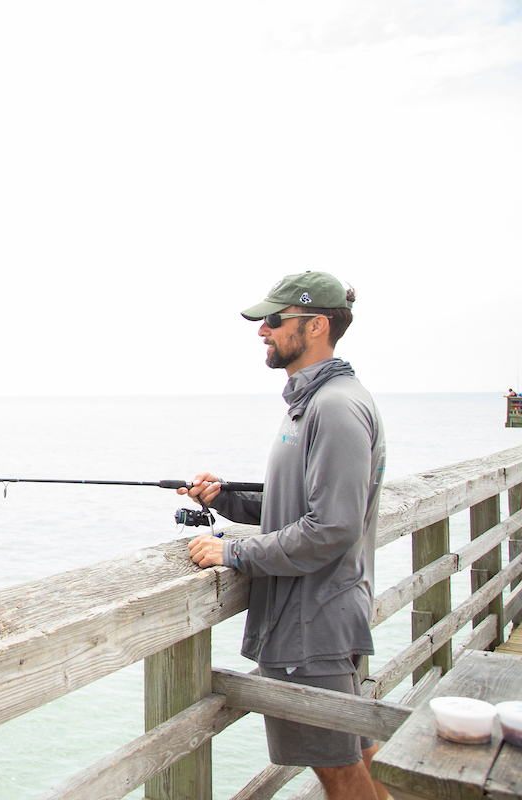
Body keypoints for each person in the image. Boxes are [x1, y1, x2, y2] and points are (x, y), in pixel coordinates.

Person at [182, 271, 388, 800]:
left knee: (338, 771)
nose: (262, 331)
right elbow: (297, 507)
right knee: (356, 753)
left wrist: (232, 551)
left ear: (316, 325)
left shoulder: (336, 407)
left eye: (274, 320)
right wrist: (225, 499)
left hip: (312, 626)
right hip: (311, 620)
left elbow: (331, 529)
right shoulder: (312, 402)